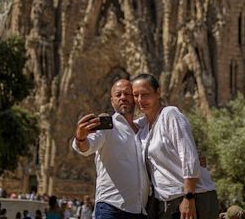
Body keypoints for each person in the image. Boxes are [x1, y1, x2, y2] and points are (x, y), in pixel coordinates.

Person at [132, 73, 218, 219]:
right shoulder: (144, 128)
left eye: (145, 94)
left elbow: (189, 157)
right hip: (167, 202)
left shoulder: (170, 115)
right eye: (136, 95)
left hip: (193, 197)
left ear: (158, 92)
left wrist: (188, 197)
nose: (140, 100)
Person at [72, 78, 149, 219]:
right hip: (112, 208)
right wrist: (80, 137)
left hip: (140, 210)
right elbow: (87, 147)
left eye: (127, 94)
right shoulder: (106, 126)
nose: (123, 97)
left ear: (135, 98)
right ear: (112, 101)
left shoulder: (144, 130)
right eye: (118, 95)